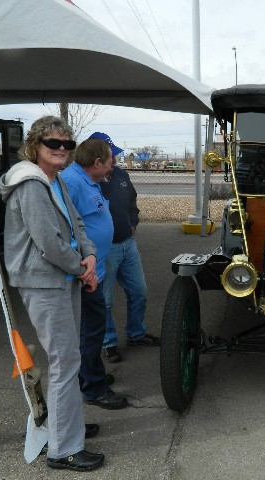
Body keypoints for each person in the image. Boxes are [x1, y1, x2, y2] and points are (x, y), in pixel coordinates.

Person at [0, 115, 105, 471]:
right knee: (64, 362)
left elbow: (76, 224)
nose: (61, 150)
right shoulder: (31, 184)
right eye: (53, 144)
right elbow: (49, 243)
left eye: (67, 144)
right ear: (35, 146)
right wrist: (81, 267)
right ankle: (63, 448)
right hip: (45, 282)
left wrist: (88, 256)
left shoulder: (53, 180)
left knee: (68, 358)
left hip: (65, 278)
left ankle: (67, 426)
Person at [61, 138, 128, 410]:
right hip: (85, 274)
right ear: (97, 162)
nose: (113, 166)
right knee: (91, 331)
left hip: (93, 270)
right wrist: (81, 268)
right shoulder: (72, 183)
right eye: (111, 161)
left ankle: (90, 374)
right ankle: (93, 388)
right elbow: (65, 230)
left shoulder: (87, 181)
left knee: (92, 330)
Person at [86, 132, 159, 365]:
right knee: (105, 300)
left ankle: (136, 333)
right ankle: (109, 343)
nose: (114, 161)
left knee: (139, 291)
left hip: (128, 244)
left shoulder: (121, 175)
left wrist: (133, 222)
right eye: (110, 156)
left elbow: (132, 201)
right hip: (105, 250)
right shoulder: (89, 182)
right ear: (97, 158)